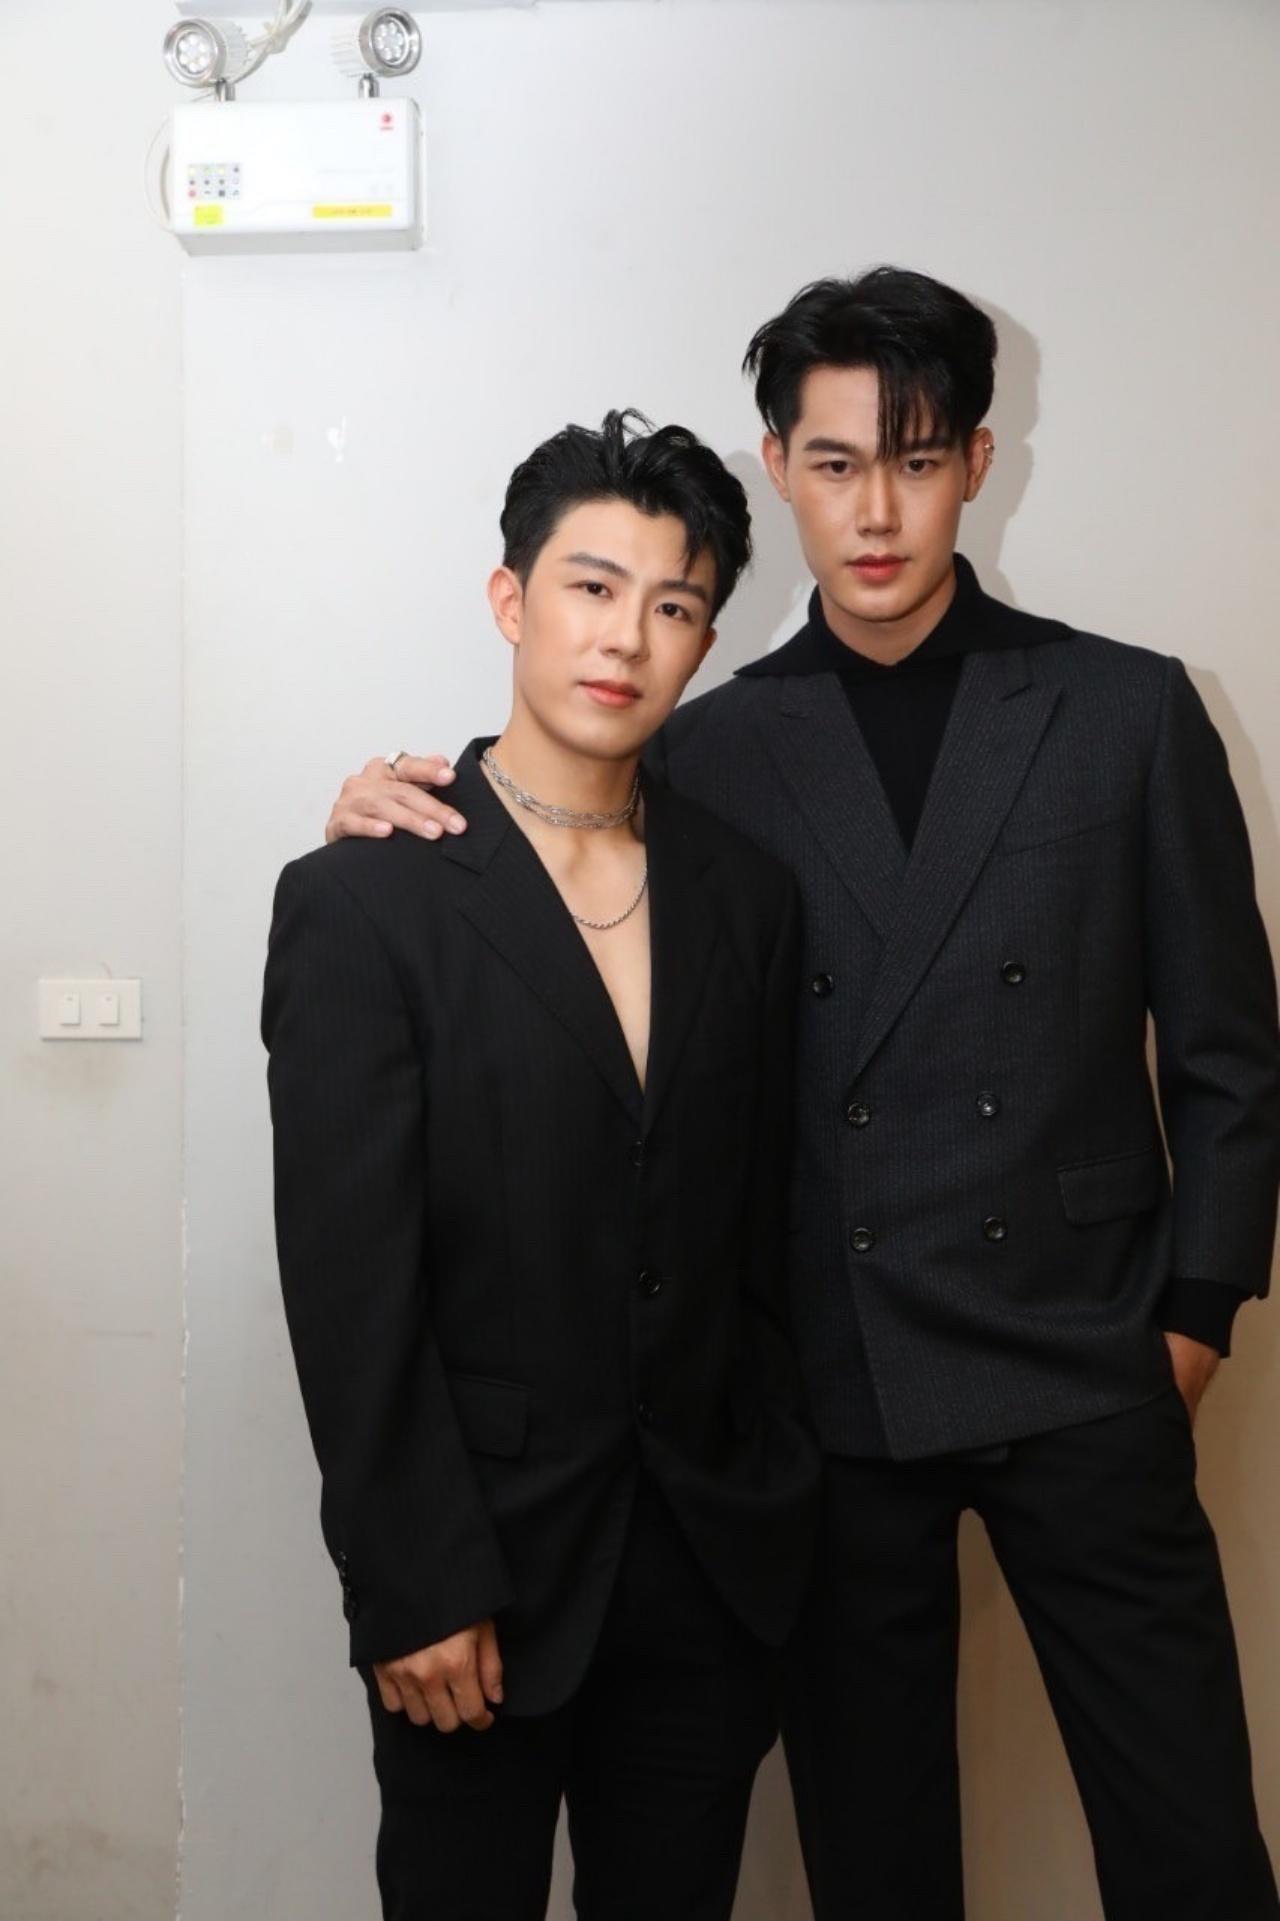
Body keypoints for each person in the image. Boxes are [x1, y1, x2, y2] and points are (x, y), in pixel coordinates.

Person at [325, 270, 1280, 1921]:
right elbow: (549, 868)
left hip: (1088, 1354)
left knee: (1193, 1846)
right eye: (835, 464)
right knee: (877, 1860)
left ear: (978, 462)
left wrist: (1192, 1320)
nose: (876, 510)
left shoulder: (1128, 708)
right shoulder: (705, 744)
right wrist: (386, 803)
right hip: (834, 1387)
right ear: (779, 468)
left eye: (915, 459)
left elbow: (1228, 1053)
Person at [262, 409, 822, 1921]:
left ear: (707, 641)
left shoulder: (748, 900)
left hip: (708, 1571)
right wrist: (412, 1577)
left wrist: (772, 1494)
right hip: (475, 1579)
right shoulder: (365, 899)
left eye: (675, 604)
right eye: (591, 586)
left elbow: (763, 1227)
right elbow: (349, 1282)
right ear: (510, 600)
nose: (626, 637)